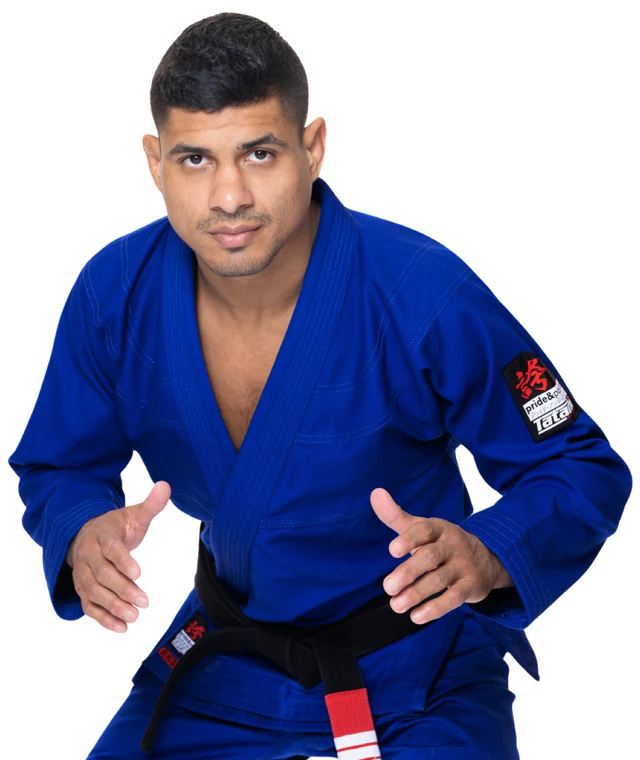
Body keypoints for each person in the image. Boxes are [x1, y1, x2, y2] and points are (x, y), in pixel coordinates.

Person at [7, 11, 632, 760]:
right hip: (229, 651)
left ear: (312, 148)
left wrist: (490, 551)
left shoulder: (422, 293)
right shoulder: (113, 295)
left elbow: (578, 465)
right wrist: (80, 527)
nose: (229, 195)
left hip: (421, 660)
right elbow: (60, 463)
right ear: (155, 161)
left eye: (259, 153)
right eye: (195, 159)